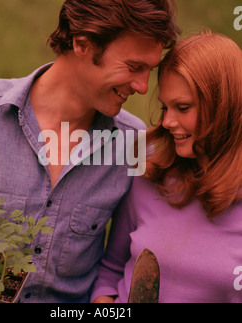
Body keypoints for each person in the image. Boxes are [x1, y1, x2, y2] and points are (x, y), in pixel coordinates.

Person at [0, 0, 179, 302]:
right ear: (83, 44)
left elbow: (128, 256)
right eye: (134, 67)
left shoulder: (133, 146)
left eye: (150, 70)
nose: (144, 87)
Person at [91, 31, 242, 303]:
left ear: (223, 107)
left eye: (182, 108)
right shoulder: (149, 175)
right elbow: (110, 274)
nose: (168, 122)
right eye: (165, 108)